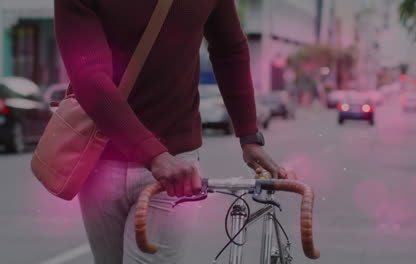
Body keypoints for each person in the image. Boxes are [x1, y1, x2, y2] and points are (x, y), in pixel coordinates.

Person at [54, 0, 287, 263]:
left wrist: (249, 135)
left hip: (176, 165)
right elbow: (88, 76)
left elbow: (230, 48)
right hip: (101, 160)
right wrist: (153, 154)